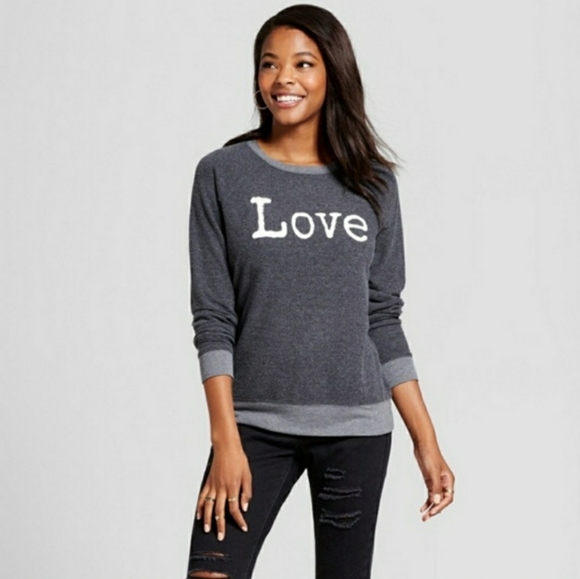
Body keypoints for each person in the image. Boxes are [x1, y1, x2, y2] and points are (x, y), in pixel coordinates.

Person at [185, 4, 455, 578]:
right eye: (269, 64)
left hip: (356, 428)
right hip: (253, 425)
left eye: (303, 63)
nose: (283, 78)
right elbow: (213, 318)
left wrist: (425, 441)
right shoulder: (222, 174)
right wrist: (226, 440)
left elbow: (382, 317)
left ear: (333, 73)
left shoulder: (373, 183)